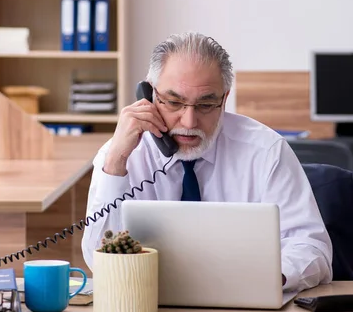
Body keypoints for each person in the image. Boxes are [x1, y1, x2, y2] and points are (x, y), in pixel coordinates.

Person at [82, 32, 333, 292]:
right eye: (174, 102)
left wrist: (269, 280)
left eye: (205, 104)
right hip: (147, 305)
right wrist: (116, 162)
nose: (189, 122)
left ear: (224, 99)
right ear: (149, 95)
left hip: (243, 306)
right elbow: (97, 260)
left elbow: (312, 247)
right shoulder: (120, 155)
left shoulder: (266, 151)